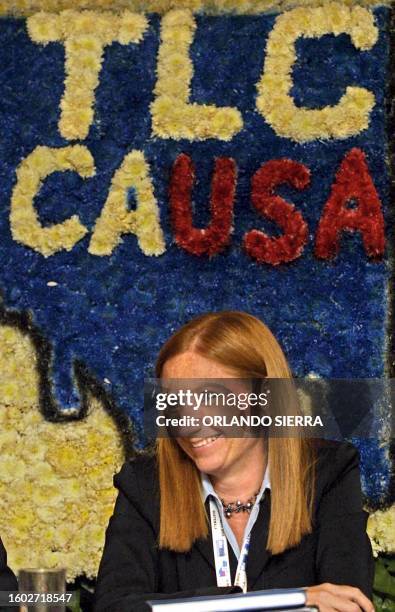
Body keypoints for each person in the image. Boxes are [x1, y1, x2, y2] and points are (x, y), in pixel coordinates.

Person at [94, 311, 374, 612]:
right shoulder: (144, 485)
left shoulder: (328, 471)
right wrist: (293, 601)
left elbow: (348, 603)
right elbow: (113, 606)